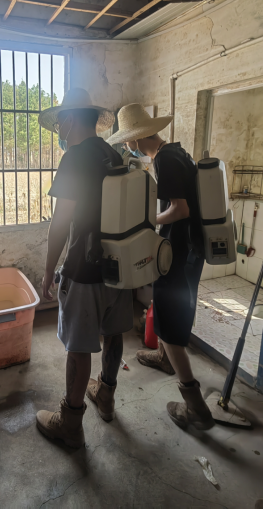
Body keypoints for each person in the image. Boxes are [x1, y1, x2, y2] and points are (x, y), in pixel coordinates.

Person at [36, 88, 134, 448]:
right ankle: (106, 395)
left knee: (78, 348)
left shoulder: (74, 158)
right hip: (119, 267)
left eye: (61, 121)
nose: (59, 128)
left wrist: (49, 271)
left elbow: (61, 223)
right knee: (113, 333)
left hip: (84, 267)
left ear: (71, 119)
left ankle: (70, 422)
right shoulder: (114, 154)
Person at [108, 103, 215, 431]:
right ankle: (166, 356)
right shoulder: (176, 152)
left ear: (136, 138)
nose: (127, 145)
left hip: (180, 254)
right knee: (171, 309)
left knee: (169, 322)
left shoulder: (165, 160)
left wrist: (149, 220)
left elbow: (180, 209)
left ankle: (195, 407)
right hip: (191, 250)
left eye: (127, 140)